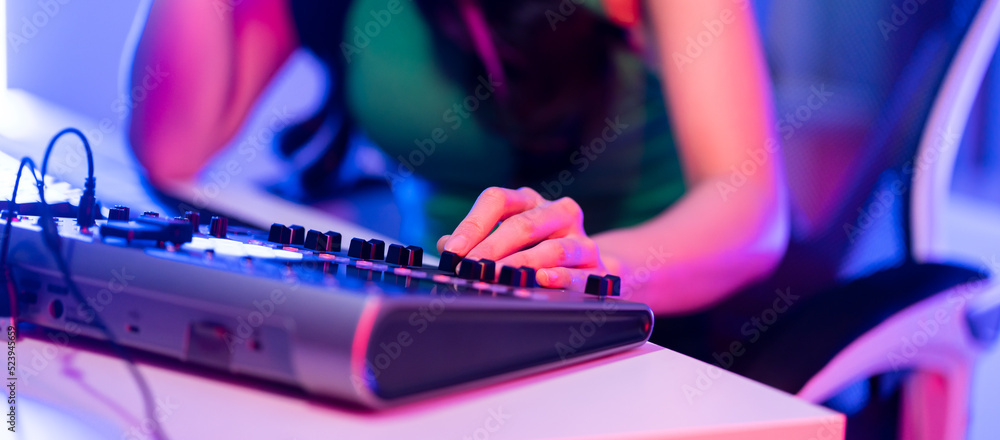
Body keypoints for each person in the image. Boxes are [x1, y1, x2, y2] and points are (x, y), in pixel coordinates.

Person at [128, 0, 788, 315]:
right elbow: (171, 149)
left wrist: (596, 270)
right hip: (451, 312)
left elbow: (749, 208)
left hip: (664, 311)